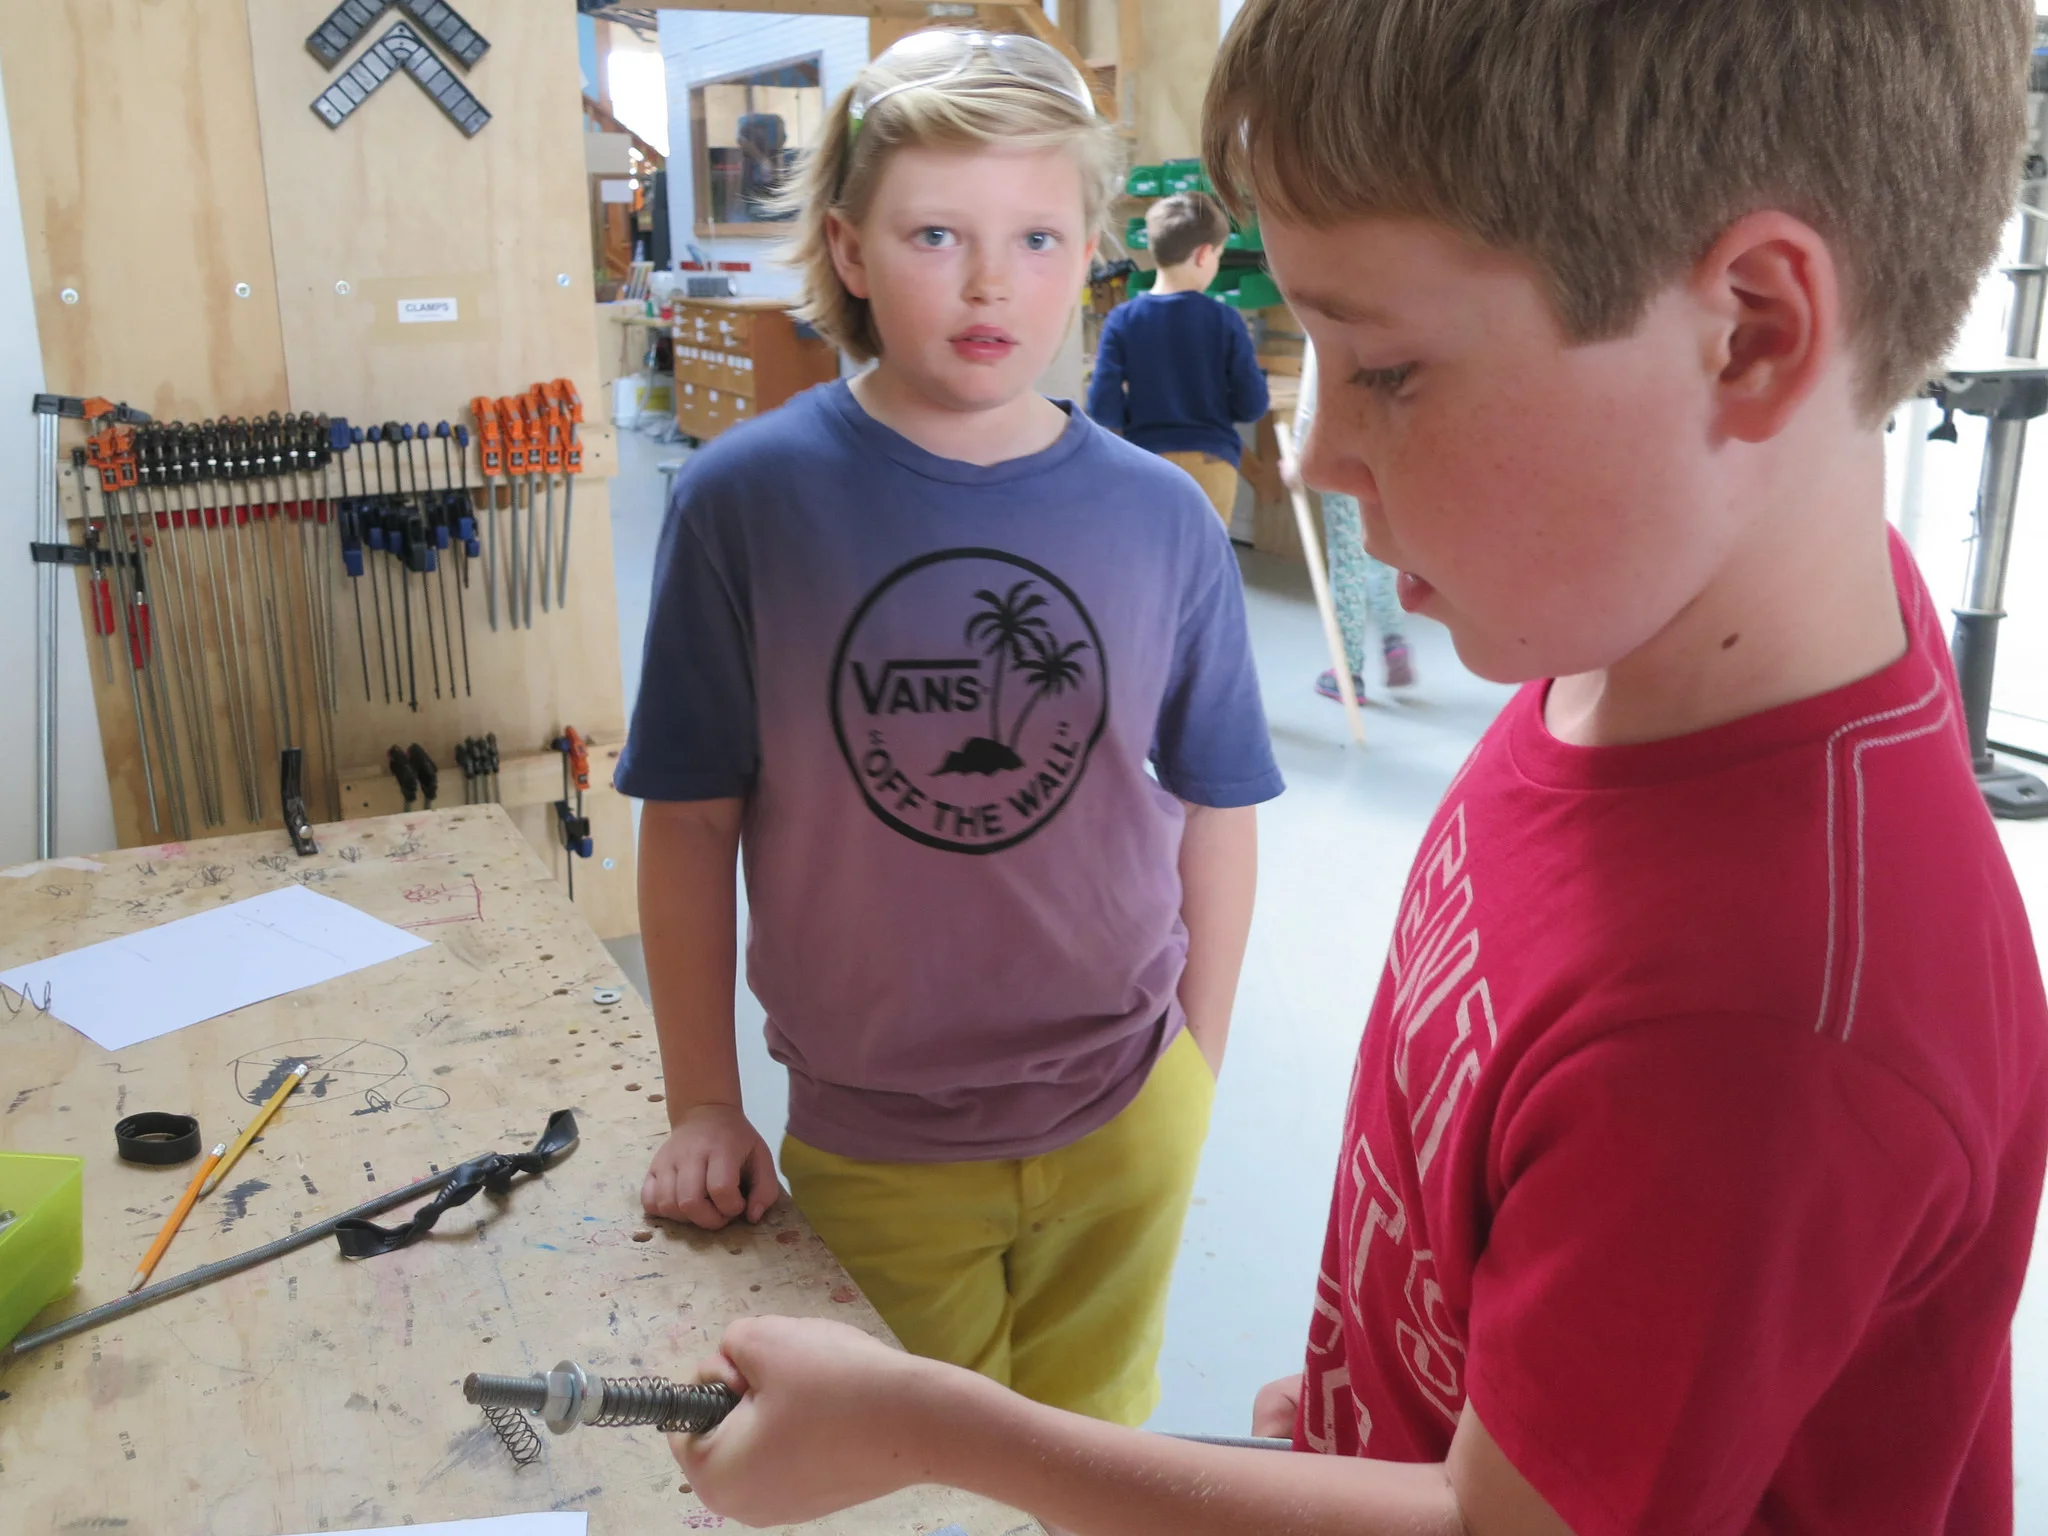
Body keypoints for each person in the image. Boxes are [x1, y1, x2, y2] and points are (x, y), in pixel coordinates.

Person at [665, 2, 2048, 1533]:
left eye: (1383, 368)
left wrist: (939, 1429)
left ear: (1754, 334)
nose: (1309, 450)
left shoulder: (1764, 1027)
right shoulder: (1642, 651)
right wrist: (1385, 1400)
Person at [617, 27, 1283, 1432]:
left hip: (1127, 1112)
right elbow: (687, 820)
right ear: (849, 250)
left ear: (1091, 250)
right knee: (907, 1473)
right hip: (879, 1139)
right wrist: (703, 1102)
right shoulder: (744, 504)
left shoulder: (1163, 516)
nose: (992, 283)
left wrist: (1197, 1063)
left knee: (1093, 1456)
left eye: (1037, 238)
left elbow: (1217, 802)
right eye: (936, 234)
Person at [1086, 191, 1271, 526]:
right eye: (1218, 255)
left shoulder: (1122, 319)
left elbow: (1102, 407)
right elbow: (1252, 406)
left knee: (1150, 554)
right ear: (1203, 254)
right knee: (1207, 555)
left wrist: (1137, 415)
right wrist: (1217, 405)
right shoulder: (1226, 319)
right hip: (1213, 462)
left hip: (1147, 460)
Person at [1288, 341, 1417, 699]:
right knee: (1379, 550)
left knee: (1347, 559)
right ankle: (1394, 642)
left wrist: (1298, 452)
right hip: (1387, 447)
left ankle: (1347, 670)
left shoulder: (1330, 321)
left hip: (1344, 453)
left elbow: (1314, 392)